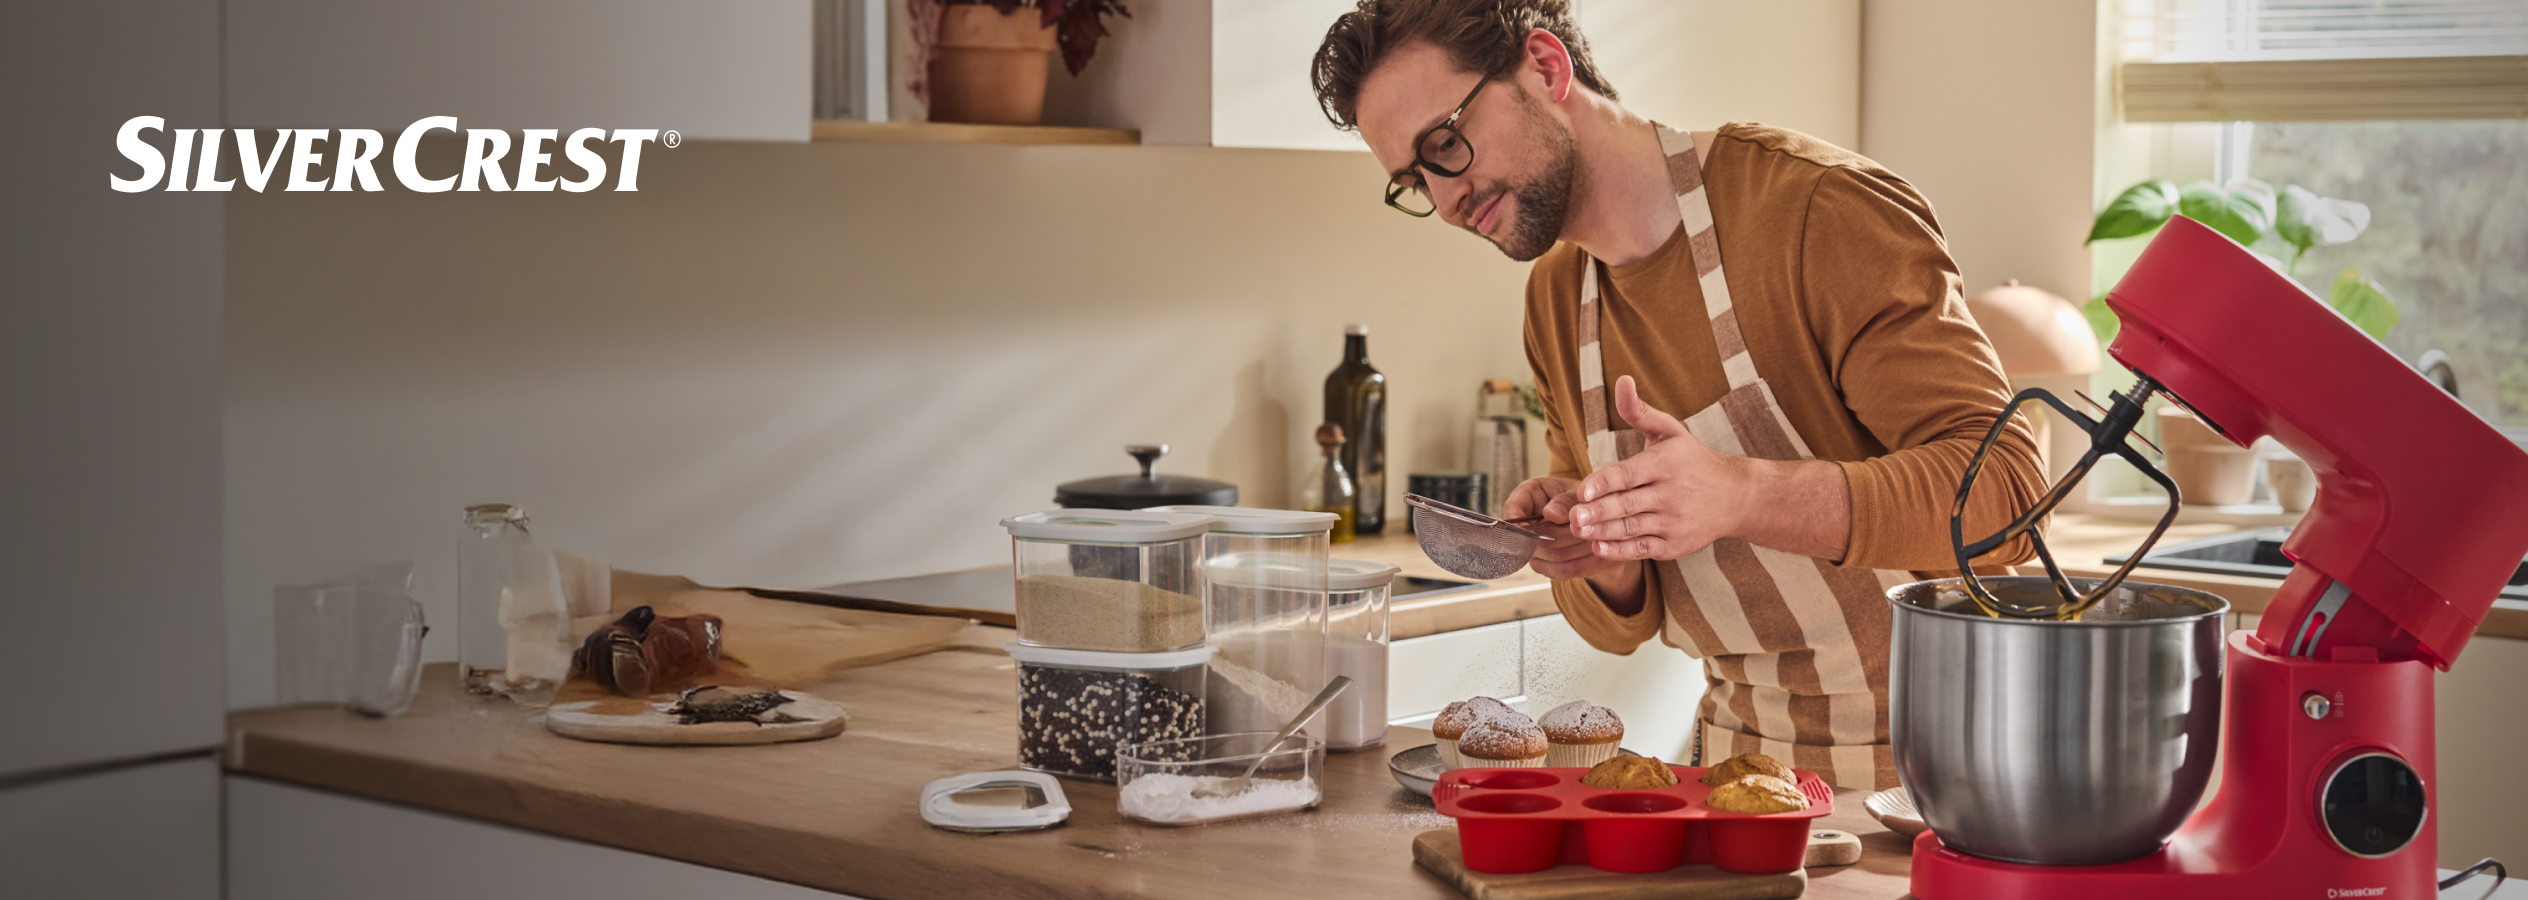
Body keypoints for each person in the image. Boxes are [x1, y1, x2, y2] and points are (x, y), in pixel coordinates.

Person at [1312, 0, 2047, 790]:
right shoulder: (1558, 301)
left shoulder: (1814, 211)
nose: (1446, 197)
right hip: (1742, 779)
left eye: (1444, 144)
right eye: (1414, 180)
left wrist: (1739, 493)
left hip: (1954, 771)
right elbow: (1618, 627)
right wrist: (1594, 548)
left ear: (1547, 67)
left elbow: (2008, 495)